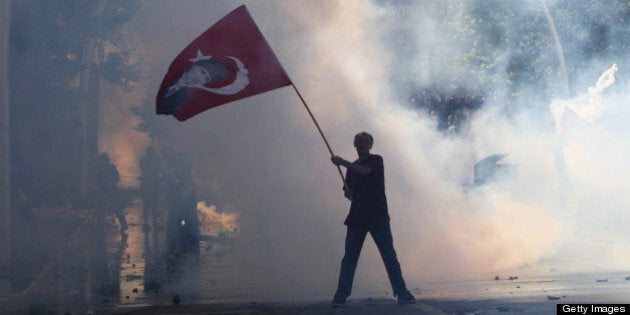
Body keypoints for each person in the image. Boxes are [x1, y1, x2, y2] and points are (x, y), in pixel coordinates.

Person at [330, 132, 415, 307]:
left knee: (389, 255)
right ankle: (340, 295)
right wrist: (348, 193)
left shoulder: (376, 160)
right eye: (360, 141)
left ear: (370, 145)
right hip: (357, 218)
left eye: (366, 141)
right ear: (355, 144)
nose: (363, 144)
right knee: (350, 258)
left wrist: (341, 162)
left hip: (377, 216)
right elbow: (350, 194)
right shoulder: (351, 169)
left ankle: (402, 292)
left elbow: (365, 171)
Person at [95, 153, 128, 233]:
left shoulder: (111, 168)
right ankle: (99, 226)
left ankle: (124, 225)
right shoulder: (99, 168)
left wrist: (111, 183)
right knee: (101, 209)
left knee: (116, 208)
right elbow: (96, 179)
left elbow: (116, 178)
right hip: (103, 191)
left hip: (111, 191)